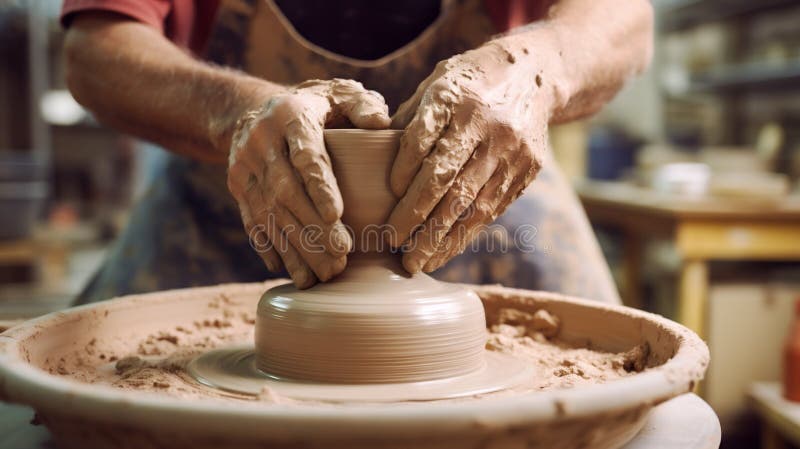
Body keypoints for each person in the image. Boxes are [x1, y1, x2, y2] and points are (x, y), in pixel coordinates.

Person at [61, 0, 652, 304]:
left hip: (481, 191)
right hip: (234, 196)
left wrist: (533, 70)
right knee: (94, 399)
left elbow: (624, 18)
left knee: (616, 399)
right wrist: (234, 113)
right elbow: (96, 49)